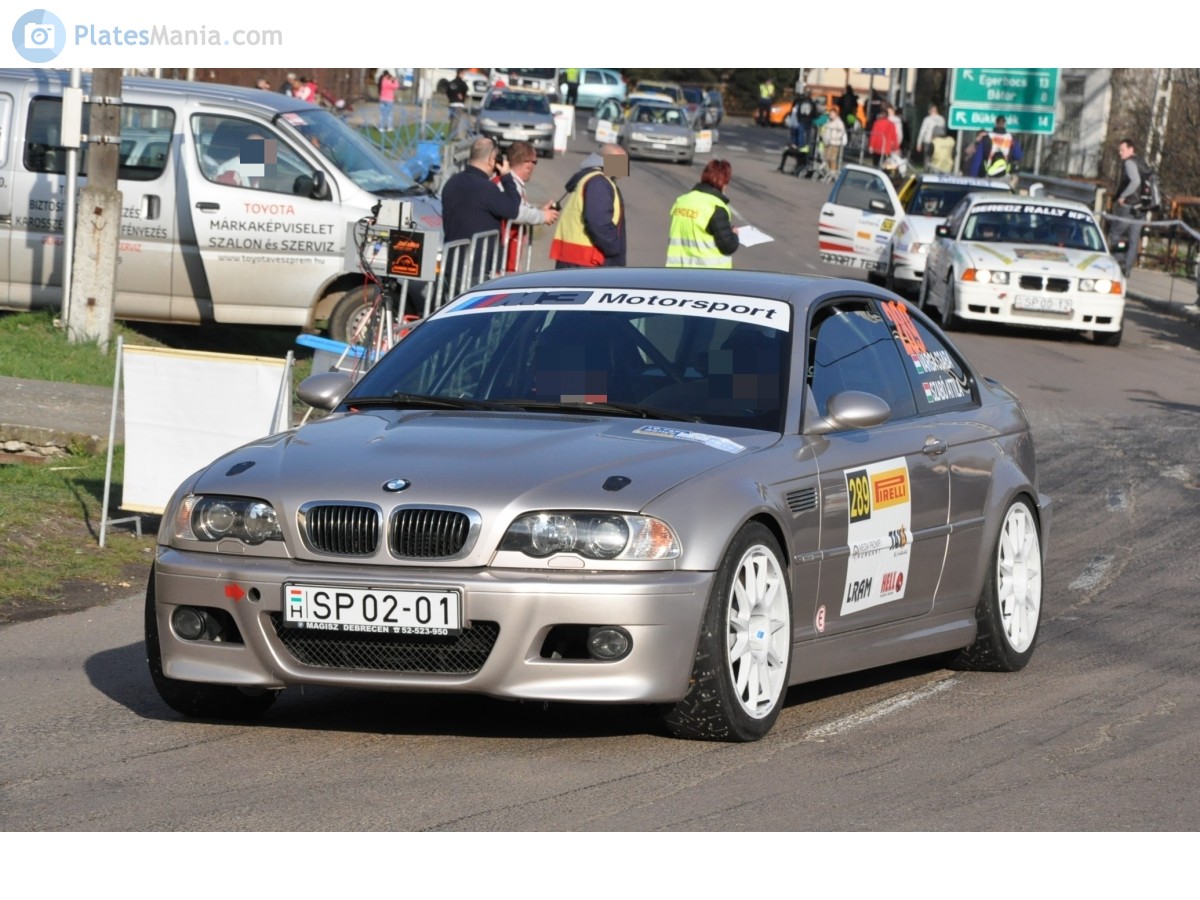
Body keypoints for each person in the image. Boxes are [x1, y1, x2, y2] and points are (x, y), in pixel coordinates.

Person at [441, 137, 522, 283]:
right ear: (492, 160)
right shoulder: (487, 189)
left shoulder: (452, 183)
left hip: (450, 266)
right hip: (476, 271)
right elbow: (513, 209)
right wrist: (506, 177)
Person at [550, 143, 627, 268]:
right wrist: (614, 247)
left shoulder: (592, 179)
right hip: (587, 262)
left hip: (577, 260)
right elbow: (598, 223)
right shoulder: (599, 183)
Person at [665, 159, 740, 268]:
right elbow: (728, 246)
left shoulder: (681, 201)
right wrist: (734, 235)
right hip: (708, 276)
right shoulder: (716, 207)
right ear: (723, 183)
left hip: (677, 272)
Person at [499, 141, 560, 272]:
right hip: (502, 258)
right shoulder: (510, 183)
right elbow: (516, 211)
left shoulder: (510, 181)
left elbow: (520, 207)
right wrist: (542, 216)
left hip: (505, 256)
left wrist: (539, 212)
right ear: (528, 164)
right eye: (535, 162)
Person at [1110, 137, 1147, 277]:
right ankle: (1128, 268)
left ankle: (1119, 261)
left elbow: (1135, 182)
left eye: (1122, 150)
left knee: (1115, 233)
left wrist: (1122, 196)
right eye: (1119, 150)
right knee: (1133, 239)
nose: (1120, 153)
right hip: (1142, 208)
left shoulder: (1129, 163)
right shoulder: (1142, 163)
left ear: (1131, 149)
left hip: (1129, 206)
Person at [821, 109, 847, 174]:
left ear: (836, 114)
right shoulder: (828, 122)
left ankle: (833, 172)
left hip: (834, 143)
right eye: (830, 114)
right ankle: (827, 171)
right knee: (826, 157)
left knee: (832, 158)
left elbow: (842, 132)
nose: (831, 115)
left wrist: (834, 137)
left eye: (832, 114)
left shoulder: (839, 122)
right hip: (827, 142)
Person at [446, 69, 469, 138]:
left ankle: (451, 135)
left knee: (451, 120)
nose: (464, 76)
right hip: (459, 104)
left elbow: (447, 92)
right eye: (464, 74)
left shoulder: (451, 83)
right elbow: (465, 91)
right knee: (456, 121)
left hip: (452, 104)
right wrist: (462, 96)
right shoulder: (462, 83)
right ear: (461, 73)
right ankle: (452, 136)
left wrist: (451, 98)